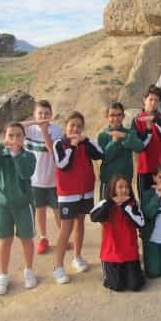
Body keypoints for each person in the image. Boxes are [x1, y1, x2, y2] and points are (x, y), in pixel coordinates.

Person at [0, 122, 37, 295]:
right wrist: (0, 146)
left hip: (23, 205)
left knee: (26, 239)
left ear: (24, 138)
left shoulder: (28, 156)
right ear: (4, 138)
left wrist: (16, 155)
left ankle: (29, 271)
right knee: (4, 240)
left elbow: (25, 173)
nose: (14, 139)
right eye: (10, 136)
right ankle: (3, 275)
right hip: (2, 205)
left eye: (18, 135)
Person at [52, 111, 103, 284]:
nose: (75, 129)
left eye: (79, 126)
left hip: (85, 191)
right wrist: (73, 146)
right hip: (67, 193)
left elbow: (100, 154)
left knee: (80, 223)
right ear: (65, 126)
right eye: (72, 125)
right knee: (65, 228)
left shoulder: (85, 143)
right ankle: (58, 266)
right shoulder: (59, 143)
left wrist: (86, 140)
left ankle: (77, 256)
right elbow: (63, 165)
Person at [90, 175, 145, 292]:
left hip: (129, 253)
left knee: (135, 286)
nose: (124, 190)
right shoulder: (105, 203)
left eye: (126, 187)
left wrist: (126, 207)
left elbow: (140, 223)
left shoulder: (133, 204)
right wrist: (110, 203)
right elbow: (93, 217)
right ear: (113, 189)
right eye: (120, 187)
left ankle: (130, 273)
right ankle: (112, 275)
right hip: (111, 254)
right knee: (117, 286)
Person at [22, 100, 63, 255]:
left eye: (46, 114)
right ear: (34, 114)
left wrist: (45, 131)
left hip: (54, 180)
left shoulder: (56, 130)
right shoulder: (29, 130)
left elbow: (52, 149)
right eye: (40, 113)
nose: (43, 116)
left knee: (58, 210)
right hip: (35, 180)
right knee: (40, 210)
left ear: (51, 115)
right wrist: (35, 122)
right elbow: (11, 126)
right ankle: (43, 238)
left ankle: (62, 237)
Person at [97, 101, 150, 200]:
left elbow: (139, 147)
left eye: (119, 115)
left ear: (123, 116)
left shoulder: (129, 133)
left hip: (125, 183)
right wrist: (114, 141)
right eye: (112, 115)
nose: (116, 118)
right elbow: (105, 158)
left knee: (127, 212)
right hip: (108, 182)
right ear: (107, 117)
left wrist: (124, 137)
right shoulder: (102, 136)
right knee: (106, 213)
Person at [132, 85, 161, 201]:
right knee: (146, 204)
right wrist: (148, 130)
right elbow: (138, 145)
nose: (153, 103)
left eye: (156, 100)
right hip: (145, 168)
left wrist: (156, 121)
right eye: (151, 99)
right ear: (144, 100)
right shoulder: (137, 120)